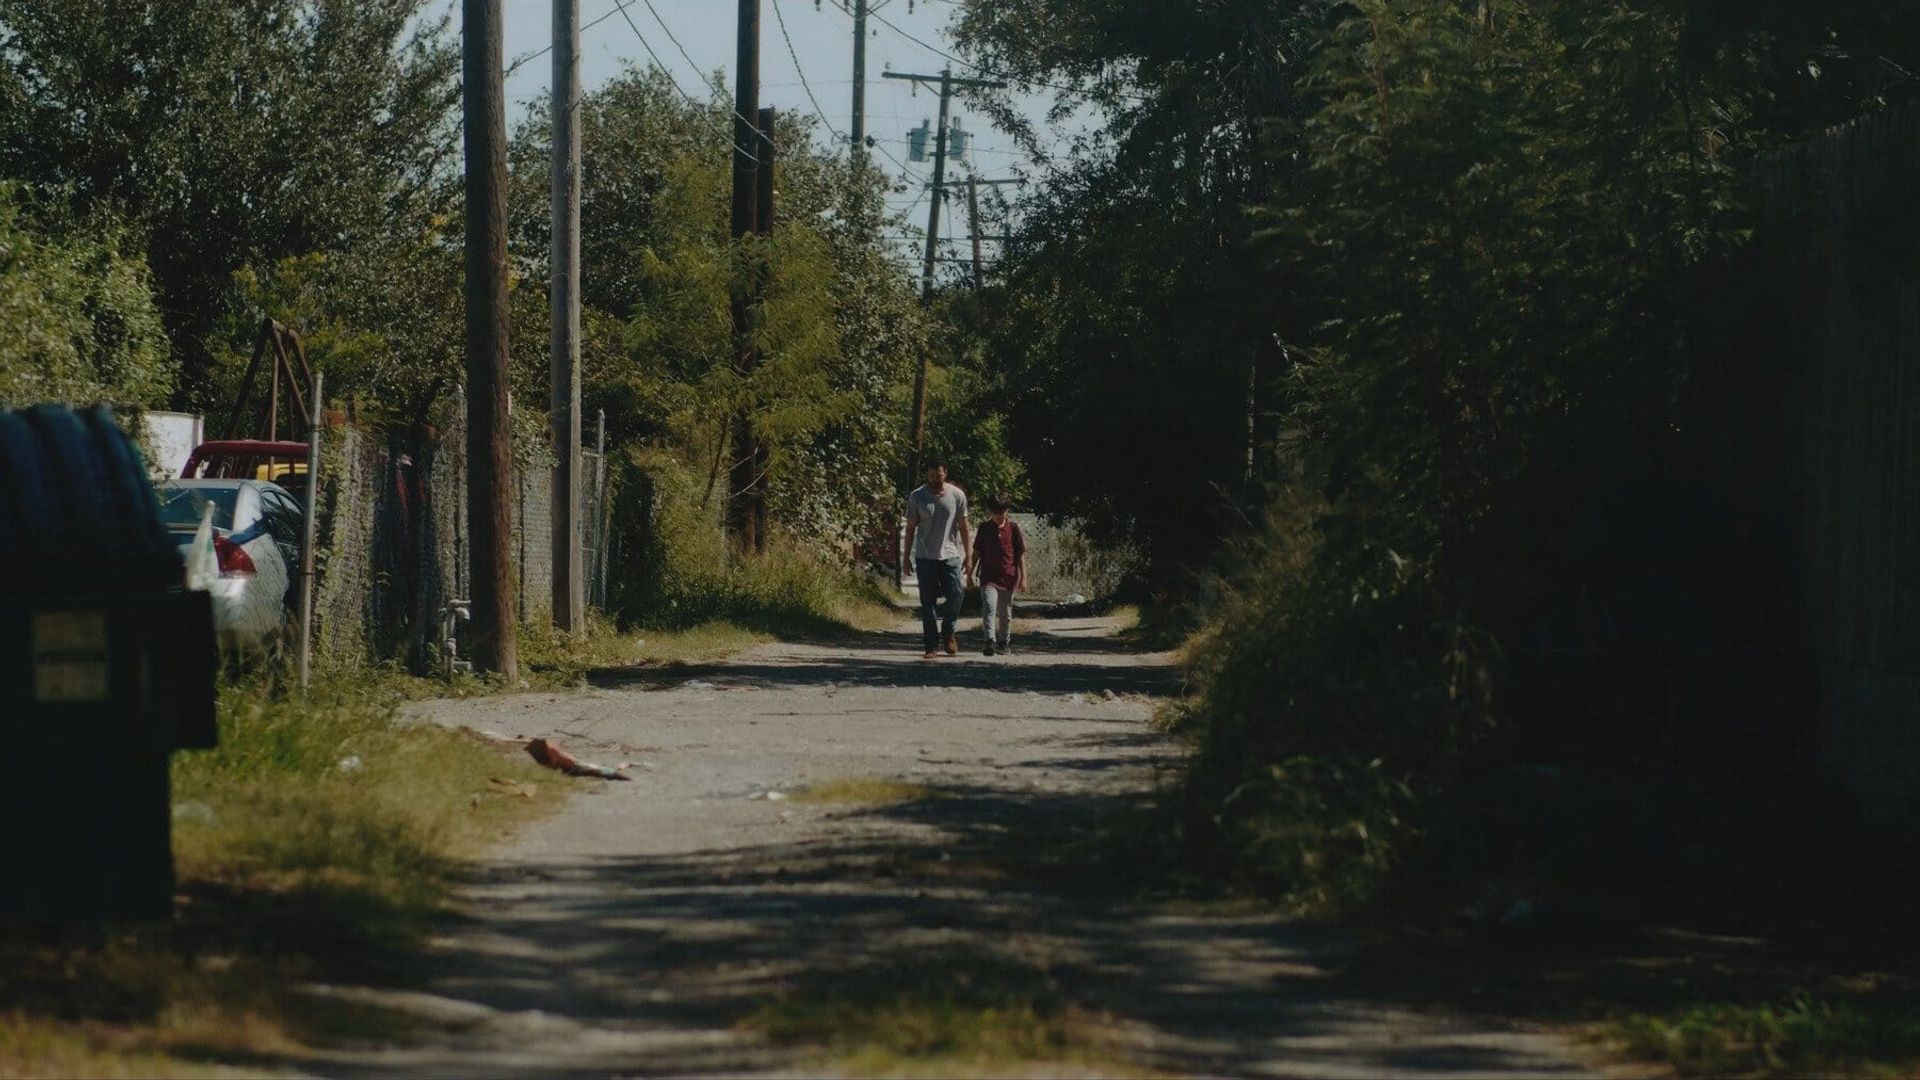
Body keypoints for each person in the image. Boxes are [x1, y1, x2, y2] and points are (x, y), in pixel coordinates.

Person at [902, 462, 970, 659]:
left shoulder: (957, 495)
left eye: (938, 476)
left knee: (956, 595)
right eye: (931, 476)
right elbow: (910, 529)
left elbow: (964, 526)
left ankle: (948, 631)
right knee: (928, 602)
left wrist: (969, 556)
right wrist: (906, 558)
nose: (935, 480)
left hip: (950, 555)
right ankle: (931, 645)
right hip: (925, 556)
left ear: (945, 473)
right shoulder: (917, 496)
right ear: (927, 475)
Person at [970, 493, 1026, 656]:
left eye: (1002, 513)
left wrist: (1024, 578)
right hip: (988, 577)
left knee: (1005, 612)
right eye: (995, 513)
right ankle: (990, 641)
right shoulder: (984, 528)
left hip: (1008, 577)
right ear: (990, 511)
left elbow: (1020, 554)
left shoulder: (1013, 528)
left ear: (1007, 511)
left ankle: (1004, 642)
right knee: (989, 606)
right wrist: (969, 572)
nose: (999, 516)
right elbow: (977, 552)